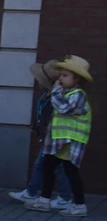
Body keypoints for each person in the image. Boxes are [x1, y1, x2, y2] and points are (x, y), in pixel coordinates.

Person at [24, 56, 93, 217]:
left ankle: (79, 205)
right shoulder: (67, 92)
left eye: (65, 76)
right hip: (60, 140)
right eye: (60, 75)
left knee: (71, 171)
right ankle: (44, 200)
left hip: (71, 140)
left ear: (77, 79)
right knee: (48, 166)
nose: (60, 78)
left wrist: (55, 90)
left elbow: (62, 108)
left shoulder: (78, 95)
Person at [9, 60, 73, 208]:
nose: (36, 80)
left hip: (54, 137)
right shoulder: (47, 95)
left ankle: (61, 196)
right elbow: (41, 114)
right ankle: (37, 193)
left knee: (53, 167)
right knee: (48, 166)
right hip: (48, 137)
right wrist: (36, 127)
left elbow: (53, 117)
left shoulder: (55, 98)